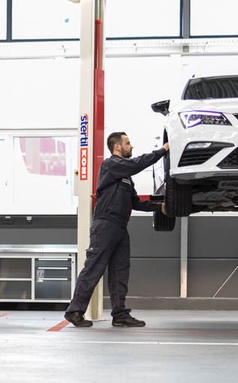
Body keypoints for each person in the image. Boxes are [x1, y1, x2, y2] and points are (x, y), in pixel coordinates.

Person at [64, 132, 170, 329]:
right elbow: (137, 163)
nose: (131, 146)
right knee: (94, 267)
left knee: (120, 272)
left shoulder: (126, 177)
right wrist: (162, 151)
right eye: (128, 143)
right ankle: (74, 311)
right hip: (105, 224)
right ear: (117, 147)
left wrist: (160, 207)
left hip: (120, 227)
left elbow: (135, 202)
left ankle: (120, 315)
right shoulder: (111, 164)